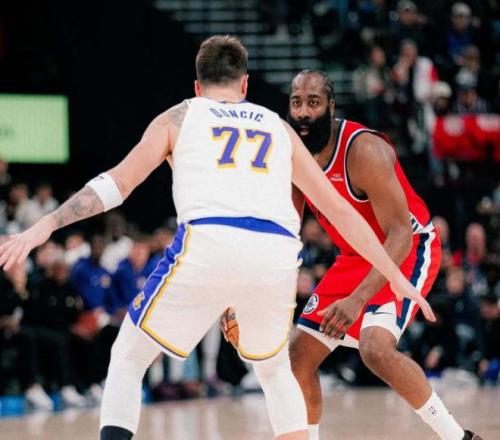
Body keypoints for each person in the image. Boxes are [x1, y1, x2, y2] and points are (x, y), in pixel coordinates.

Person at [0, 35, 432, 440]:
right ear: (245, 84)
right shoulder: (277, 126)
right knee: (275, 370)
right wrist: (395, 275)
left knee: (128, 358)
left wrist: (46, 224)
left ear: (197, 85)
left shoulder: (180, 116)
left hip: (209, 242)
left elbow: (116, 184)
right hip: (276, 253)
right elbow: (339, 210)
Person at [284, 70, 481, 440]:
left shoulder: (364, 151)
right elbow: (287, 231)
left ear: (330, 106)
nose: (304, 112)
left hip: (405, 248)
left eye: (313, 102)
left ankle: (460, 438)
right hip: (354, 255)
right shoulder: (294, 153)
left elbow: (401, 234)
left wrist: (357, 299)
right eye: (297, 103)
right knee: (298, 356)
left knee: (375, 349)